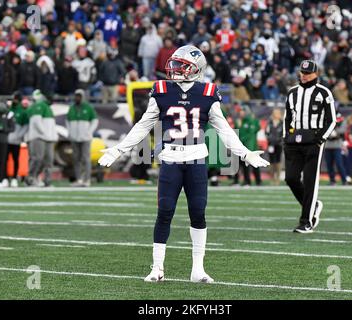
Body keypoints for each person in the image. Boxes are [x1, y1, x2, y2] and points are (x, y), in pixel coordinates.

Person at [98, 45, 270, 283]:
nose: (175, 68)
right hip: (171, 158)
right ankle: (157, 268)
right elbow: (143, 125)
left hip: (197, 157)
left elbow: (224, 129)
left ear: (196, 69)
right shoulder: (161, 90)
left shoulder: (208, 92)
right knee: (165, 211)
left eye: (182, 65)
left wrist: (244, 153)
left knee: (198, 212)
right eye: (175, 63)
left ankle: (197, 269)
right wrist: (119, 149)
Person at [283, 60, 336, 233]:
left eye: (308, 73)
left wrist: (320, 139)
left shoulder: (323, 92)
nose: (304, 76)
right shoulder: (292, 93)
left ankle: (306, 221)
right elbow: (287, 118)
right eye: (302, 73)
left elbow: (332, 120)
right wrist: (286, 138)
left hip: (313, 142)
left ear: (316, 74)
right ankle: (313, 206)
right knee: (290, 178)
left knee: (310, 181)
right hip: (294, 142)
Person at [26, 90, 58, 187]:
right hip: (38, 137)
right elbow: (36, 121)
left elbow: (51, 125)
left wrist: (52, 135)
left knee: (49, 161)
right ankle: (31, 178)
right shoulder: (39, 105)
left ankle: (47, 181)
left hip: (48, 138)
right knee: (37, 158)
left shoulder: (48, 108)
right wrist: (44, 133)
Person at [66, 89, 99, 187]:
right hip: (74, 137)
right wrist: (70, 132)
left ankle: (87, 179)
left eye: (79, 96)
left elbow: (95, 120)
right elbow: (67, 121)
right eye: (76, 96)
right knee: (76, 158)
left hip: (85, 137)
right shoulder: (71, 108)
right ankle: (79, 179)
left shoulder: (88, 108)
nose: (77, 98)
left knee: (85, 158)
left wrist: (89, 132)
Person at [233, 106, 262, 186]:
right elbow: (236, 133)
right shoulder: (239, 121)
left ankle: (257, 181)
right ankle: (242, 181)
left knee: (254, 164)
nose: (241, 112)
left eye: (242, 111)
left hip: (250, 147)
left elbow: (250, 134)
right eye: (240, 111)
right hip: (241, 147)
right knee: (239, 164)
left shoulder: (251, 121)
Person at [7, 92, 29, 188]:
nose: (15, 101)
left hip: (16, 140)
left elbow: (25, 126)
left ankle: (15, 178)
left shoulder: (23, 112)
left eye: (16, 99)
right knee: (5, 159)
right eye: (14, 99)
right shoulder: (8, 110)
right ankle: (5, 178)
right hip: (7, 140)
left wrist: (19, 136)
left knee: (16, 159)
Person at [324, 113, 348, 185]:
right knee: (329, 164)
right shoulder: (326, 117)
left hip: (337, 145)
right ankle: (332, 180)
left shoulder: (341, 118)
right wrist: (330, 132)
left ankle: (344, 180)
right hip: (328, 145)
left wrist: (335, 131)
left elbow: (343, 130)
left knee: (339, 163)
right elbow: (323, 128)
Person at [265, 108, 283, 186]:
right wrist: (269, 139)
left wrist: (280, 140)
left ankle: (278, 178)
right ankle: (272, 178)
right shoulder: (270, 123)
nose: (276, 115)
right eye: (275, 113)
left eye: (277, 113)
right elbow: (266, 132)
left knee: (278, 161)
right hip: (271, 144)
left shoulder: (282, 123)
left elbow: (283, 134)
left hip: (279, 144)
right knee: (271, 161)